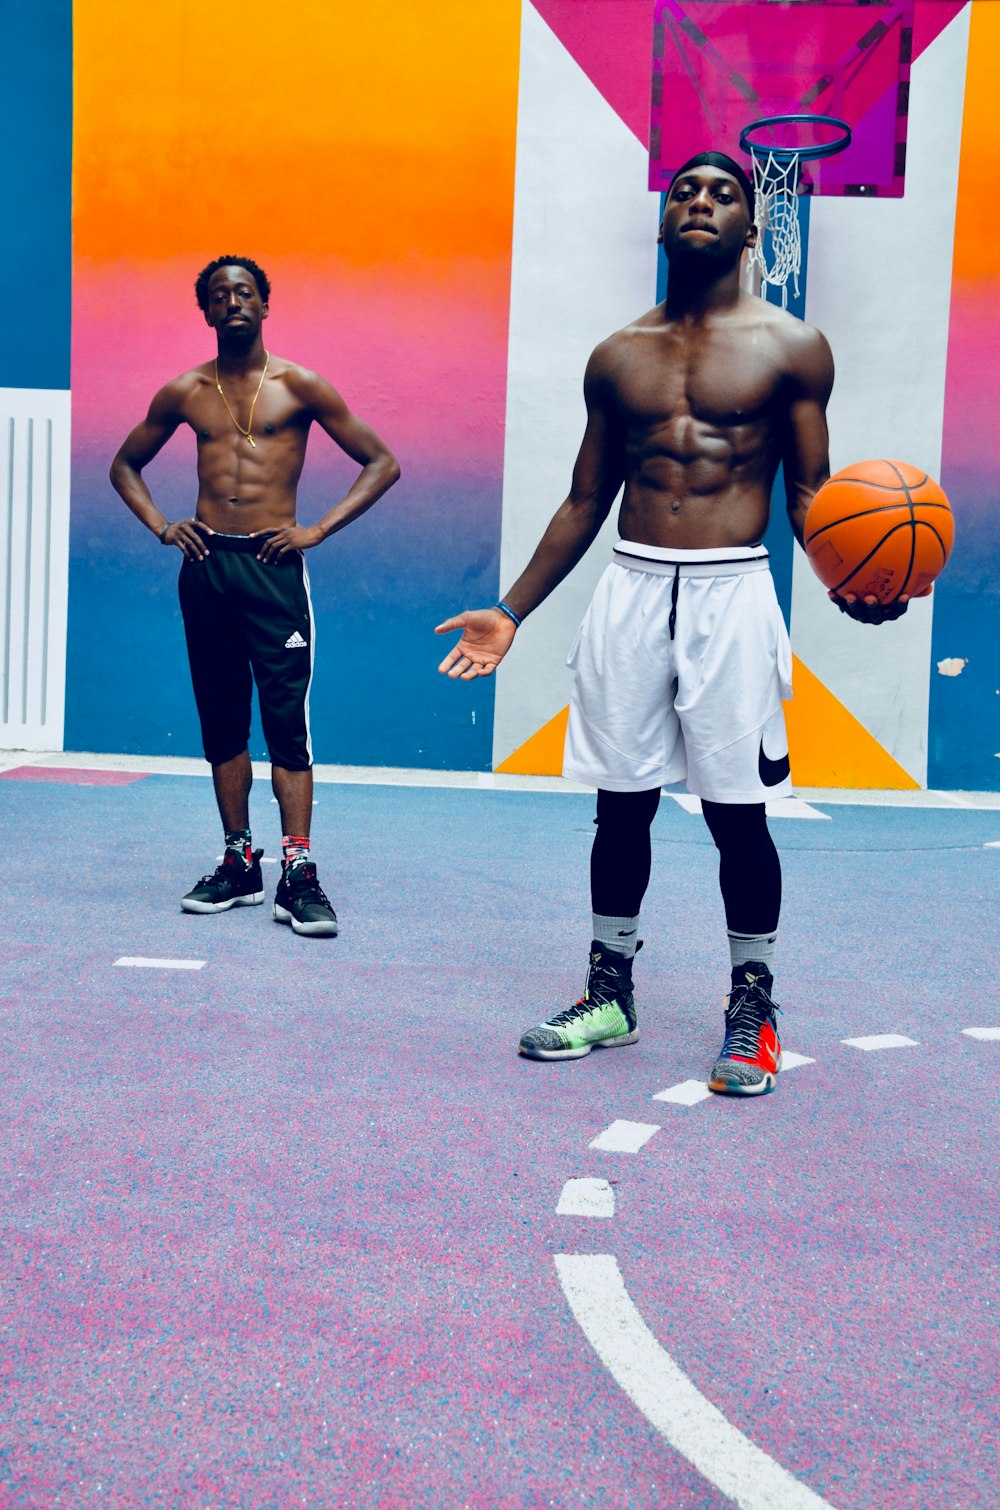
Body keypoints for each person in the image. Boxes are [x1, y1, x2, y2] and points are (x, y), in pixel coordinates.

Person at [436, 153, 914, 1093]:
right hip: (630, 587)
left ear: (752, 225)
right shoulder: (618, 355)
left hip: (733, 591)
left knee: (739, 812)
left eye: (723, 193)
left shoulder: (793, 346)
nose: (700, 202)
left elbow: (813, 494)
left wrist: (847, 583)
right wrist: (509, 610)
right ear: (662, 223)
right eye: (684, 191)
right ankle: (609, 992)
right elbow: (585, 497)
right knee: (622, 802)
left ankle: (755, 1006)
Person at [111, 256, 400, 937]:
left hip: (273, 569)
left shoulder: (300, 386)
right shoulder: (185, 392)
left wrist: (319, 528)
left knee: (285, 725)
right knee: (220, 720)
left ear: (265, 306)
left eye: (244, 292)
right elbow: (125, 466)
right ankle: (240, 859)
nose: (233, 301)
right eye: (219, 295)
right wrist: (161, 525)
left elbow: (382, 461)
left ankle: (297, 871)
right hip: (207, 565)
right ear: (207, 313)